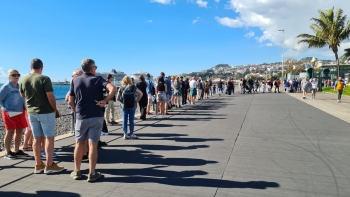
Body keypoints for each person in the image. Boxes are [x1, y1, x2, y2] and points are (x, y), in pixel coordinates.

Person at [69, 59, 116, 182]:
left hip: (81, 117)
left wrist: (76, 111)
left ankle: (77, 171)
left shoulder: (75, 80)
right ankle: (92, 173)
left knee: (78, 144)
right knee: (93, 145)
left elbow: (70, 100)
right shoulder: (98, 79)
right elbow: (113, 89)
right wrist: (105, 100)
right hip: (96, 116)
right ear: (92, 68)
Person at [20, 58, 63, 174]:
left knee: (36, 138)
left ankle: (38, 164)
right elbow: (51, 97)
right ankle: (49, 165)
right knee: (49, 137)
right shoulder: (44, 78)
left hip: (31, 113)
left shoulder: (23, 79)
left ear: (30, 67)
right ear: (41, 68)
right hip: (45, 112)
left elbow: (22, 95)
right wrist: (55, 110)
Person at [0, 69, 29, 159]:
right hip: (9, 112)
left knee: (20, 130)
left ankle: (16, 150)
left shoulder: (19, 86)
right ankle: (8, 152)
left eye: (18, 75)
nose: (16, 76)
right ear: (9, 76)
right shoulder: (6, 87)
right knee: (10, 131)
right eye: (14, 75)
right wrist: (6, 108)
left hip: (20, 111)